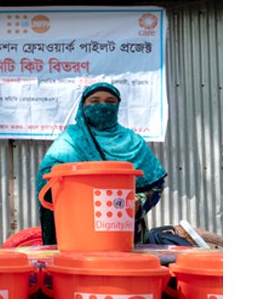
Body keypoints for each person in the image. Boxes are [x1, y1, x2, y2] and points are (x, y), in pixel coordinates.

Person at [36, 81, 167, 245]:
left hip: (125, 232)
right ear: (83, 106)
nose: (103, 106)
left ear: (118, 106)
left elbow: (156, 184)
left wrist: (139, 202)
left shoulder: (134, 142)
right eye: (95, 101)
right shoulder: (69, 141)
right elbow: (46, 180)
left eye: (110, 102)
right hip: (79, 230)